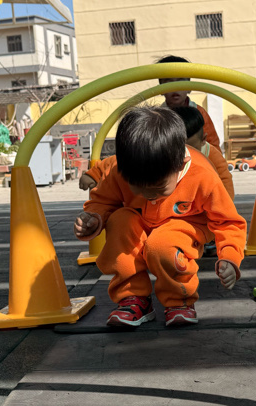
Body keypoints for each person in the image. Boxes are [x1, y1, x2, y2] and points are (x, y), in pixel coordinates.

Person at [73, 106, 246, 328]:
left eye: (158, 188)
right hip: (140, 219)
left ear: (180, 165)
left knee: (163, 243)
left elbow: (227, 221)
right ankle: (133, 297)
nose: (147, 195)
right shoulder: (120, 169)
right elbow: (103, 200)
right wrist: (94, 218)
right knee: (120, 221)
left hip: (184, 224)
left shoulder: (202, 175)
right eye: (137, 187)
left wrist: (229, 257)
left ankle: (179, 299)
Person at [80, 105, 235, 200]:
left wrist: (222, 205)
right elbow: (116, 161)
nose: (181, 152)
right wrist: (94, 174)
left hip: (194, 207)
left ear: (203, 141)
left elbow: (225, 180)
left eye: (188, 148)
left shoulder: (209, 157)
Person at [155, 55, 222, 149]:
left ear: (189, 88)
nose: (175, 87)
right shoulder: (157, 117)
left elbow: (213, 145)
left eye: (180, 82)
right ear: (161, 89)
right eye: (169, 82)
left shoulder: (199, 113)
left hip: (197, 156)